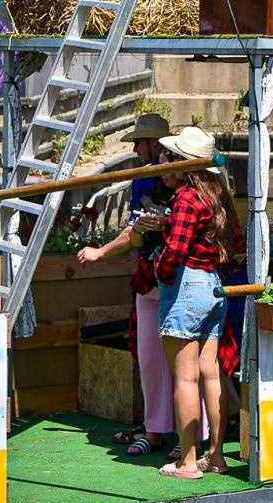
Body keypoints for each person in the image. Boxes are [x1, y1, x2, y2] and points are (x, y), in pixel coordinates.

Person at [76, 114, 183, 457]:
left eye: (139, 141)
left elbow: (133, 233)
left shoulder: (187, 187)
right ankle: (154, 430)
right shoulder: (142, 179)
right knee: (150, 358)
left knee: (183, 361)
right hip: (148, 276)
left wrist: (100, 253)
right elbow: (136, 231)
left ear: (157, 145)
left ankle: (189, 435)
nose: (135, 148)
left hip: (179, 279)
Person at [153, 125, 240, 479]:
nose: (164, 162)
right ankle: (216, 457)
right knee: (211, 375)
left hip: (188, 286)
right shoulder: (218, 195)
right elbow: (234, 242)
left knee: (185, 378)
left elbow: (175, 251)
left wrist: (159, 269)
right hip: (213, 286)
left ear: (185, 164)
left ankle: (188, 462)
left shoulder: (188, 199)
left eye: (170, 156)